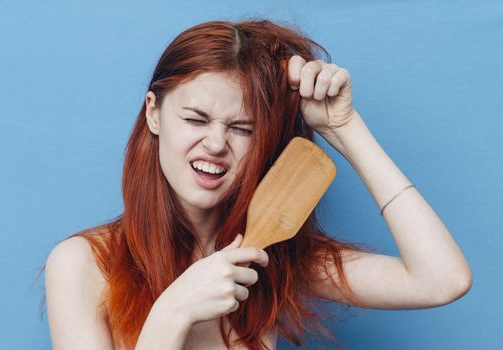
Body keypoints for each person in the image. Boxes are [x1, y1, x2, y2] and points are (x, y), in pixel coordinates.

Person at [43, 19, 473, 350]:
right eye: (195, 119)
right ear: (154, 113)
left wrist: (345, 128)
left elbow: (442, 280)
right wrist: (171, 314)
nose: (215, 144)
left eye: (242, 128)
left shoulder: (270, 256)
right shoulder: (84, 264)